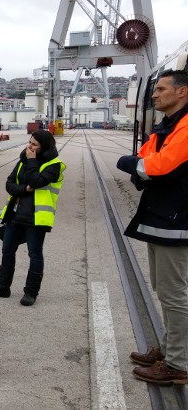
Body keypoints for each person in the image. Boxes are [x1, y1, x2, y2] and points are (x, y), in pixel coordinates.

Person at [117, 69, 188, 385]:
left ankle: (179, 363)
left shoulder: (185, 127)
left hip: (178, 220)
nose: (154, 94)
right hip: (164, 217)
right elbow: (147, 159)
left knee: (174, 294)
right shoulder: (167, 126)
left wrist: (134, 166)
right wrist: (141, 167)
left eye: (160, 89)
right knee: (164, 290)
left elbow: (156, 166)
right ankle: (173, 348)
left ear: (182, 92)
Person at [0, 129, 65, 306]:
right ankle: (2, 287)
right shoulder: (23, 160)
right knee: (7, 251)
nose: (29, 146)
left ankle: (31, 292)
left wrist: (32, 162)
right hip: (15, 214)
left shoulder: (54, 165)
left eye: (34, 144)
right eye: (29, 142)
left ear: (44, 147)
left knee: (34, 254)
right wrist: (25, 189)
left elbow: (37, 181)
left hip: (36, 218)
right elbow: (9, 184)